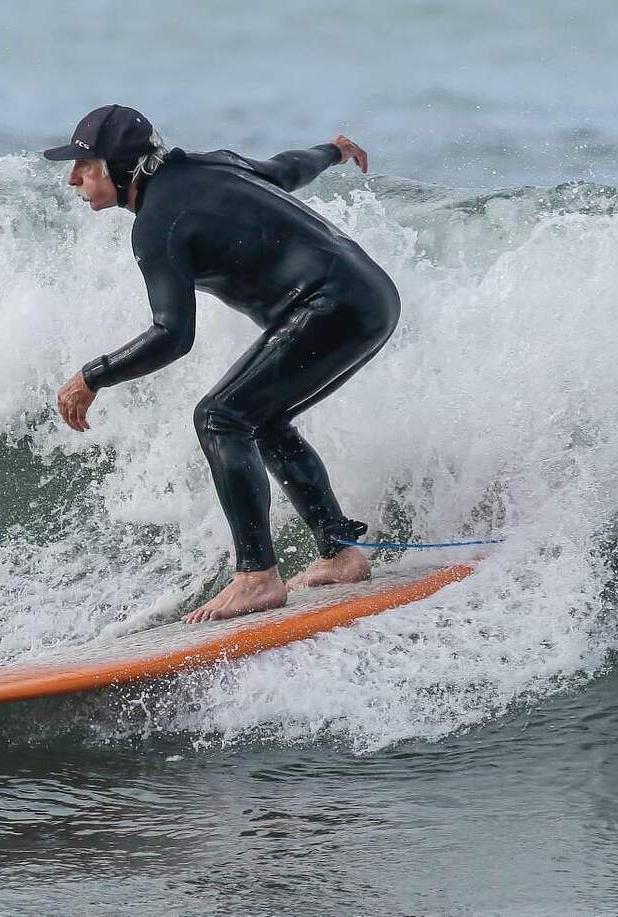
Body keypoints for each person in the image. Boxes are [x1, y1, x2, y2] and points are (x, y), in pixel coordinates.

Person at [46, 104, 402, 624]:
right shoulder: (214, 164)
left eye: (86, 166)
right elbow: (284, 170)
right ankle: (340, 555)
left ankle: (257, 578)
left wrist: (92, 376)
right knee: (262, 418)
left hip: (331, 306)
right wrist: (333, 151)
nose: (73, 178)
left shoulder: (158, 223)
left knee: (219, 417)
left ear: (120, 168)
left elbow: (173, 336)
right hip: (370, 295)